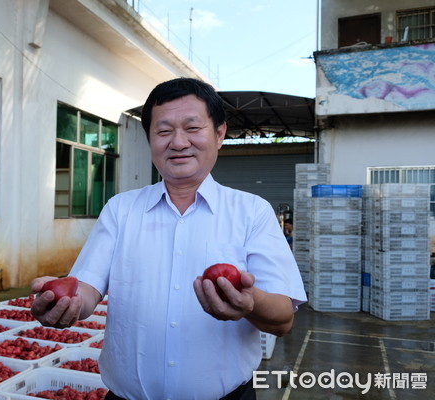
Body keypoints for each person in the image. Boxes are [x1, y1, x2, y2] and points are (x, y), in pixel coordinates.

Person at [31, 77, 307, 400]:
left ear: (219, 134)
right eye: (163, 131)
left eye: (192, 128)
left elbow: (283, 318)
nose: (178, 143)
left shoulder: (252, 213)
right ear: (150, 139)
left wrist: (249, 303)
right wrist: (69, 303)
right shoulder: (121, 210)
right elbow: (88, 288)